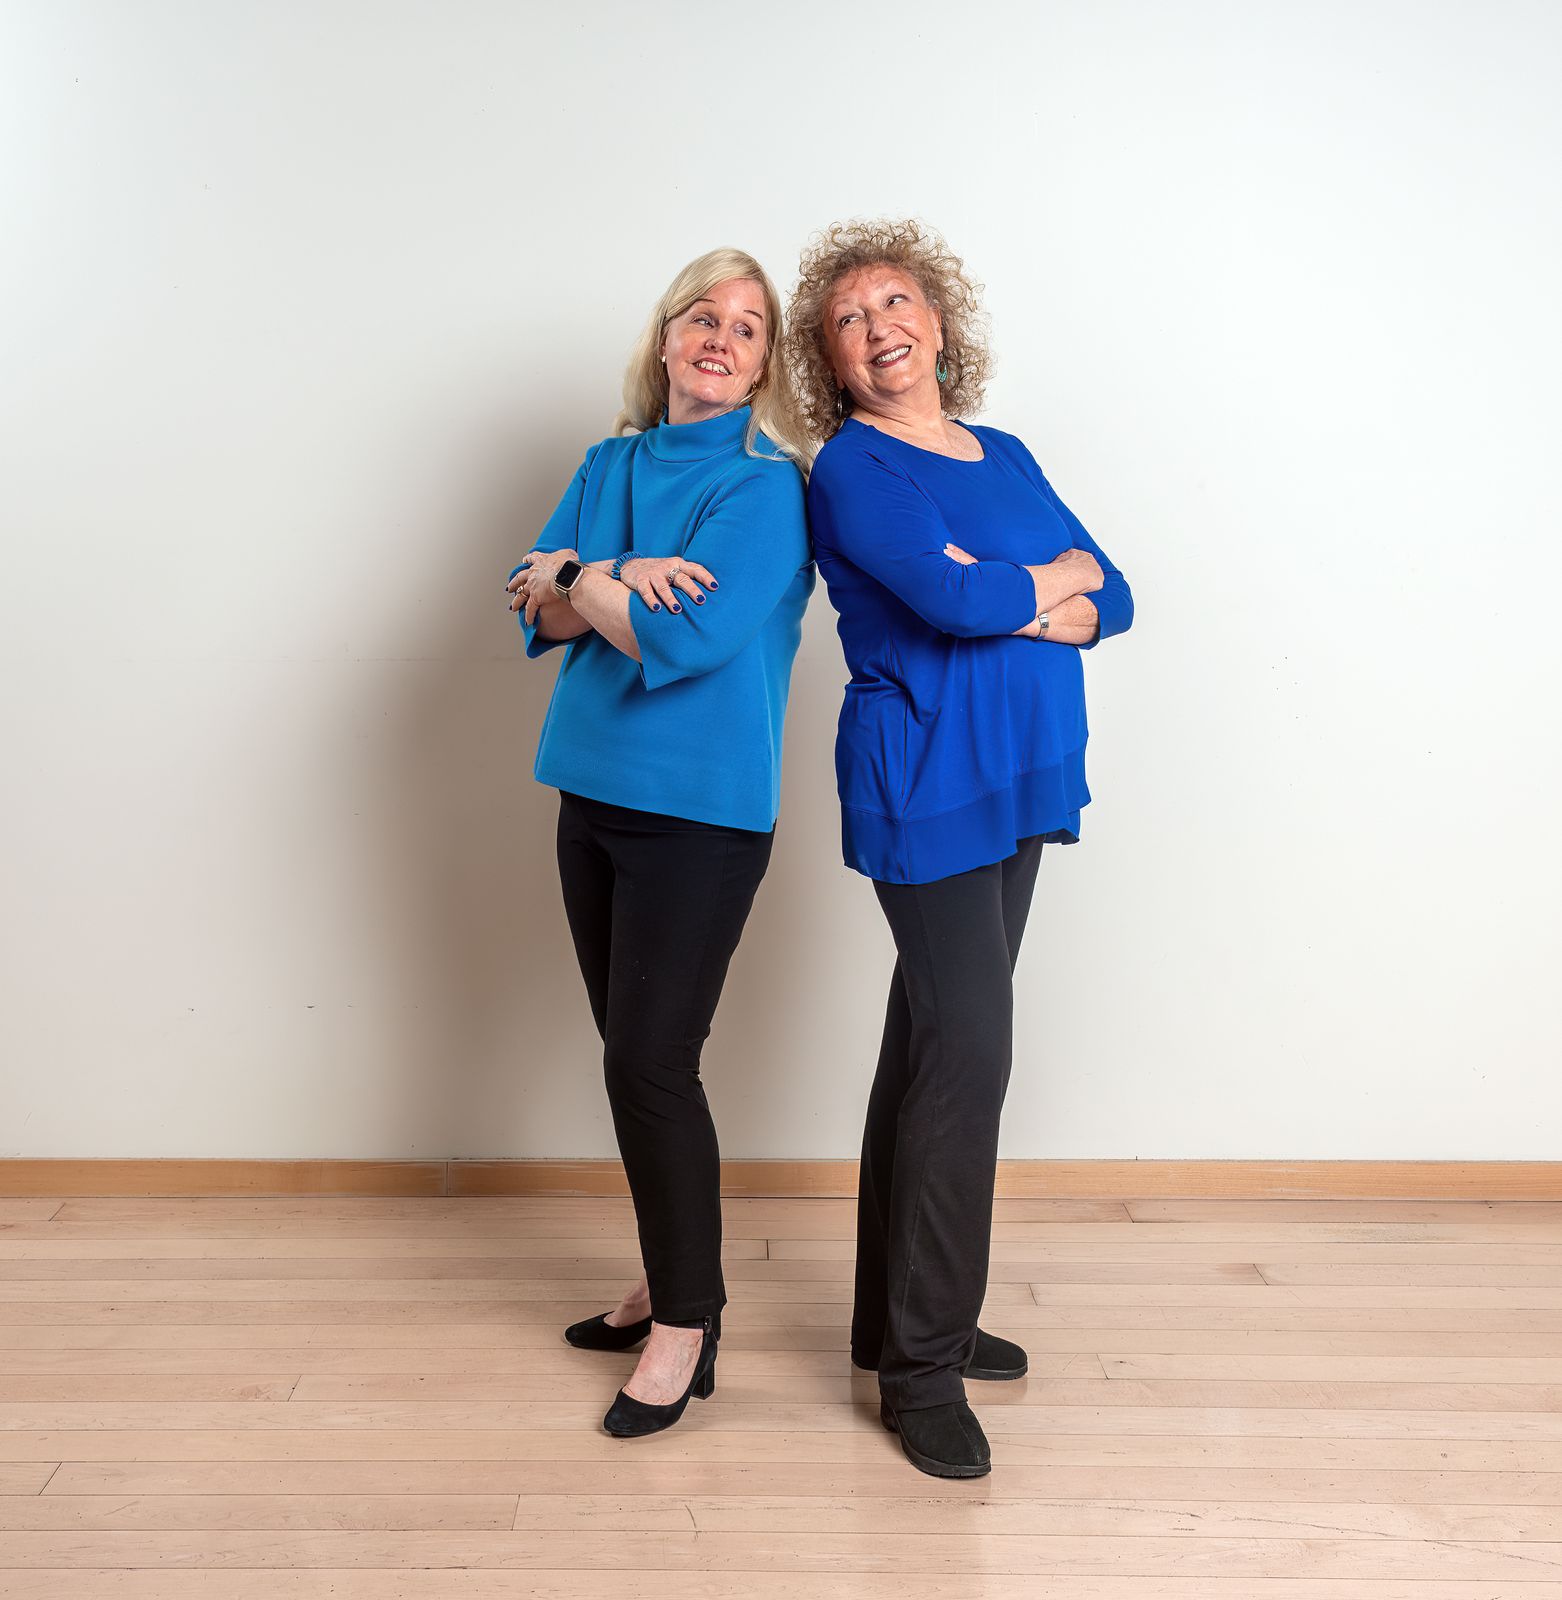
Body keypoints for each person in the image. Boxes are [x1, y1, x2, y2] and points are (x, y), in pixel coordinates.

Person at [784, 218, 1133, 1478]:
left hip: (1019, 770)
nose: (878, 327)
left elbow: (1116, 592)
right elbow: (947, 596)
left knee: (929, 1049)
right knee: (969, 1059)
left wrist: (1028, 592)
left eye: (895, 302)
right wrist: (1043, 586)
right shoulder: (851, 467)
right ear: (828, 358)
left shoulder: (1004, 450)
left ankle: (894, 1323)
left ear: (936, 320)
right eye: (847, 318)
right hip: (926, 779)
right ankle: (921, 1372)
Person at [505, 248, 813, 1438]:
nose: (720, 337)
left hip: (701, 812)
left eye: (747, 325)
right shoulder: (610, 462)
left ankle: (688, 1322)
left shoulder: (765, 490)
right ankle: (664, 1276)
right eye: (701, 316)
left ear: (763, 361)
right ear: (667, 337)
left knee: (649, 1064)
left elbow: (672, 641)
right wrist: (611, 574)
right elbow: (533, 602)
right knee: (628, 1056)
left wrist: (579, 577)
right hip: (589, 791)